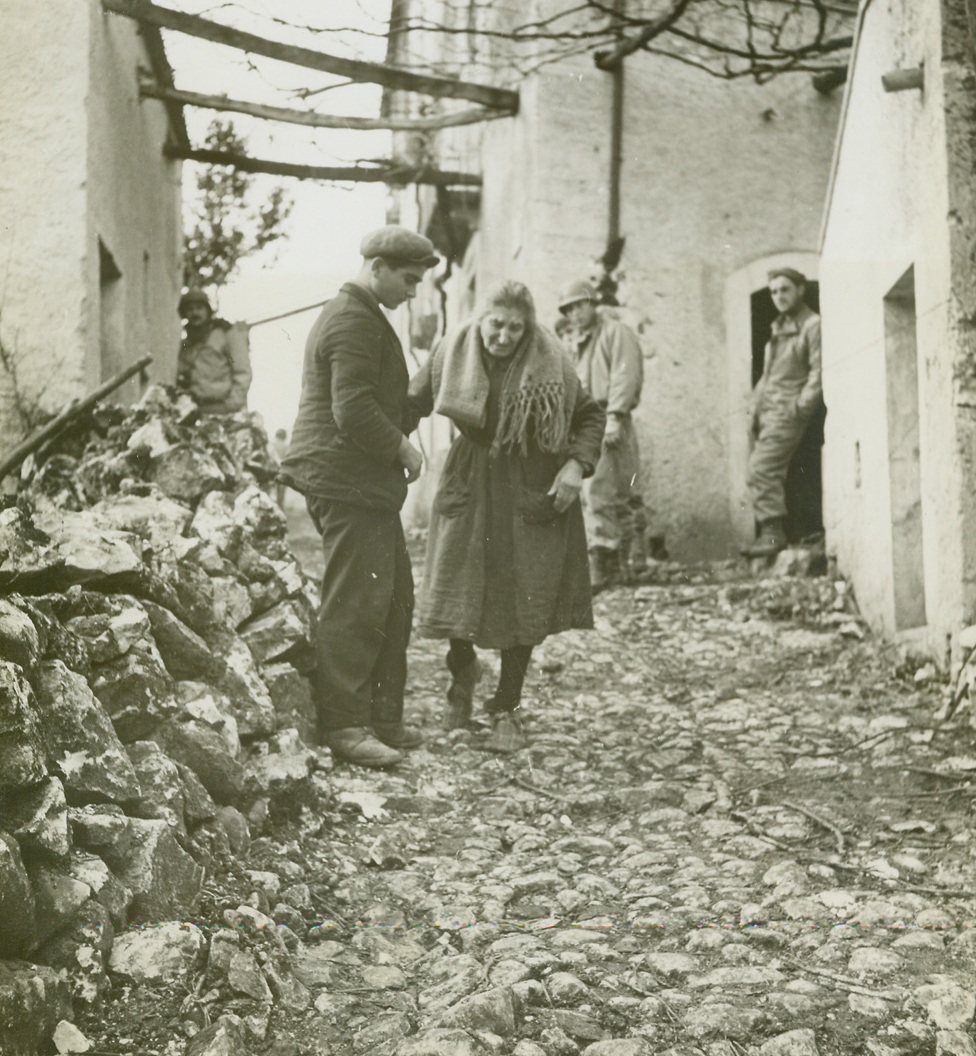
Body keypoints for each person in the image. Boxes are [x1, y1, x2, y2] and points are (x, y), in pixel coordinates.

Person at [408, 281, 605, 753]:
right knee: (457, 584)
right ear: (480, 320)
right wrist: (382, 447)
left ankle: (507, 707)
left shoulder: (551, 357)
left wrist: (577, 465)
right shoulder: (450, 351)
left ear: (528, 327)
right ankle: (462, 670)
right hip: (471, 478)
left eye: (515, 327)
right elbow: (408, 404)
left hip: (531, 481)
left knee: (526, 593)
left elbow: (590, 415)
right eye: (496, 324)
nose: (504, 336)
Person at [278, 225, 438, 769]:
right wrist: (404, 450)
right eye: (409, 280)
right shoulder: (351, 320)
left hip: (361, 485)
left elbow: (377, 400)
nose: (413, 291)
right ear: (378, 269)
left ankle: (381, 717)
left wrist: (420, 394)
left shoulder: (365, 317)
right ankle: (344, 724)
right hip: (345, 483)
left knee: (394, 599)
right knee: (356, 601)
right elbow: (352, 411)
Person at [558, 279, 647, 591]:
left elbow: (626, 375)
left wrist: (615, 416)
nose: (574, 313)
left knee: (603, 490)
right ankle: (618, 564)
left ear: (593, 303)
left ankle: (610, 563)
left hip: (609, 417)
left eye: (579, 305)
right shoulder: (578, 343)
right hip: (586, 422)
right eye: (569, 309)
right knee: (602, 492)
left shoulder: (615, 333)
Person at [744, 268, 822, 557]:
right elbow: (768, 375)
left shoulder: (812, 326)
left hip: (787, 411)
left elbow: (818, 371)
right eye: (774, 291)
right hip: (767, 411)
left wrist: (799, 407)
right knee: (765, 470)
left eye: (785, 289)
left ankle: (773, 535)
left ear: (801, 290)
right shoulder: (778, 328)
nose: (779, 296)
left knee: (761, 469)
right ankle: (771, 535)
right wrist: (754, 409)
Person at [177, 289, 252, 414]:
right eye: (190, 309)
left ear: (207, 310)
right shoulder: (187, 343)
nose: (194, 313)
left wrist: (231, 404)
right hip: (193, 410)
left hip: (222, 408)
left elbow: (243, 371)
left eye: (199, 308)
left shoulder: (226, 334)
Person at [270, 428, 289, 508]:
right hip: (283, 470)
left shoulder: (272, 444)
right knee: (281, 493)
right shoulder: (286, 446)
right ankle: (280, 508)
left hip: (273, 470)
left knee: (273, 491)